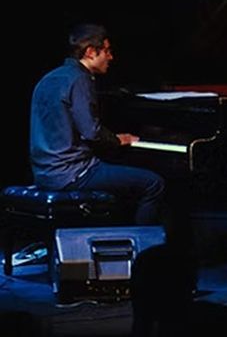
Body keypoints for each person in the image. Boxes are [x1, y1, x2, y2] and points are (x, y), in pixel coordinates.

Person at [29, 24, 164, 225]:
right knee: (153, 183)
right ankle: (142, 250)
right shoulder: (80, 79)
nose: (111, 57)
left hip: (44, 174)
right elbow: (92, 133)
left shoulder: (49, 78)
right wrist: (118, 139)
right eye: (107, 51)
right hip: (73, 174)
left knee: (124, 179)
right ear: (91, 52)